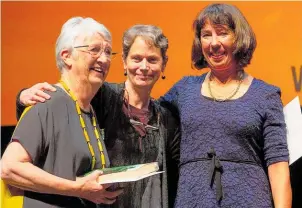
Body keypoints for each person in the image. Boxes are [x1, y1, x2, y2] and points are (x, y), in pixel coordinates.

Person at [16, 25, 180, 208]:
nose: (144, 67)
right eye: (136, 58)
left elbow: (174, 176)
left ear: (163, 64)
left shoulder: (167, 117)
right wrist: (22, 96)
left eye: (152, 60)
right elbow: (62, 101)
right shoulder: (99, 96)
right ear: (124, 62)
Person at [160, 3, 292, 208]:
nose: (213, 43)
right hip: (192, 200)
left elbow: (277, 165)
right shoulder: (183, 89)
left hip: (250, 200)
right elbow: (144, 116)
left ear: (239, 38)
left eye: (222, 33)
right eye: (206, 35)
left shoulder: (266, 95)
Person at [1, 17, 124, 208]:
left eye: (108, 52)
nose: (104, 59)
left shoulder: (90, 109)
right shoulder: (47, 101)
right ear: (66, 56)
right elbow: (9, 168)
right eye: (94, 50)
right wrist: (76, 188)